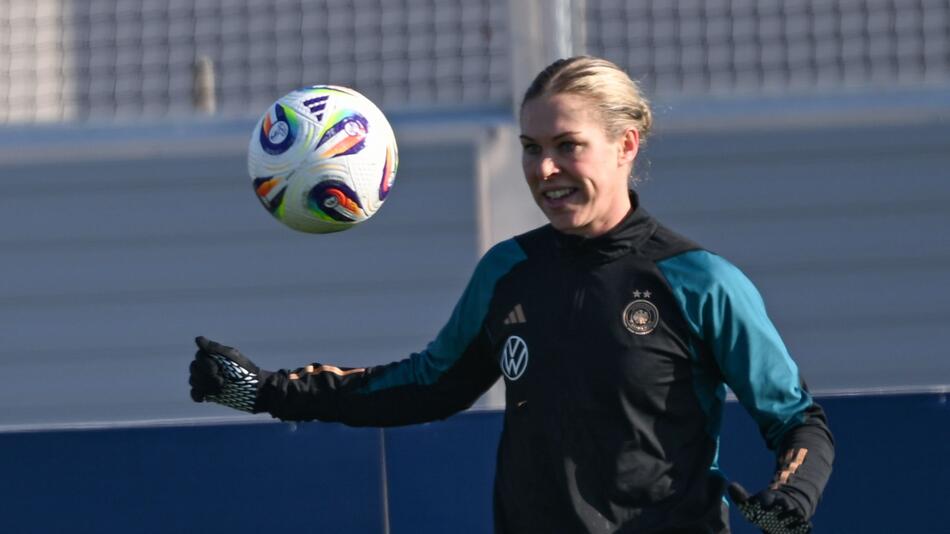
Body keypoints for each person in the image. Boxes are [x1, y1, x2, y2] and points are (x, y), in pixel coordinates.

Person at [189, 56, 834, 534]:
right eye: (531, 148)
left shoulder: (702, 282)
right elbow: (429, 383)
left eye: (566, 147)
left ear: (626, 145)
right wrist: (265, 389)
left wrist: (792, 496)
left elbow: (799, 422)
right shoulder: (508, 272)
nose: (544, 170)